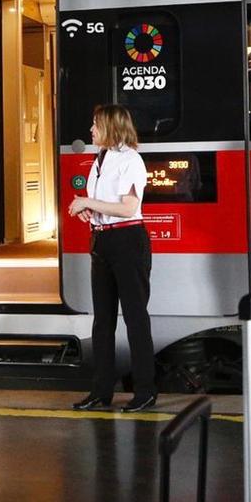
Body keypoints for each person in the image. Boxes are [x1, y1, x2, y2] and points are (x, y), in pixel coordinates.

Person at [67, 104, 155, 413]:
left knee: (135, 318)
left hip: (128, 241)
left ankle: (145, 391)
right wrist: (90, 212)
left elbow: (129, 208)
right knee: (102, 322)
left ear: (111, 127)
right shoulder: (99, 160)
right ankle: (100, 391)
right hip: (102, 239)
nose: (91, 130)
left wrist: (87, 201)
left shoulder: (131, 160)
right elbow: (107, 205)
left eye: (95, 125)